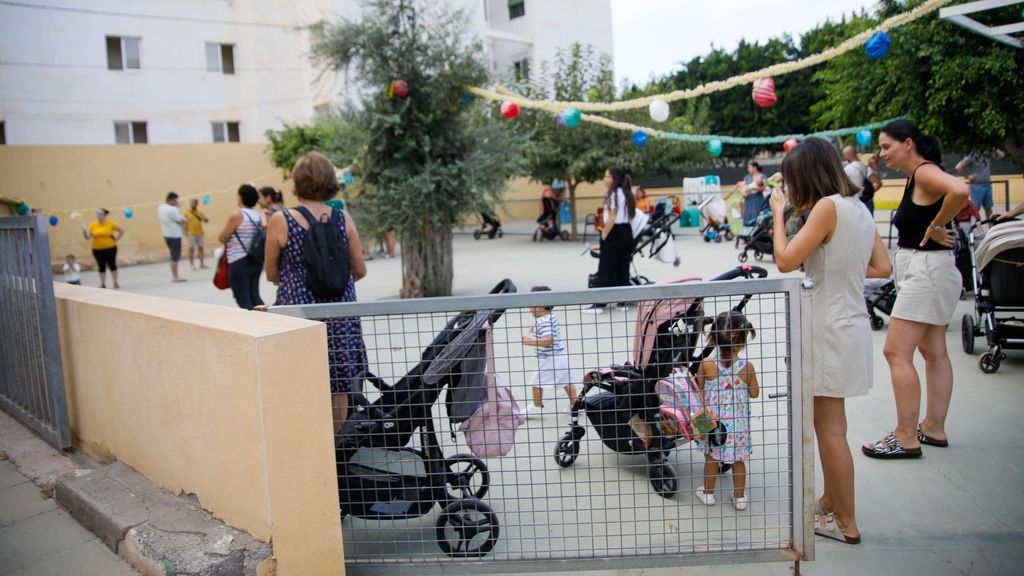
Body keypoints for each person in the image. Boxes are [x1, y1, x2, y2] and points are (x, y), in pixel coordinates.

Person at [770, 137, 892, 545]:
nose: (790, 189)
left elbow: (786, 259)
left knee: (830, 431)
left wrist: (776, 215)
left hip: (825, 327)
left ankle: (846, 522)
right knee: (833, 427)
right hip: (852, 324)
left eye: (791, 181)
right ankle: (829, 499)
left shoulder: (826, 208)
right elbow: (882, 266)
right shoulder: (857, 208)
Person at [862, 120, 968, 462]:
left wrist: (936, 224)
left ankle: (905, 436)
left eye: (887, 146)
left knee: (896, 352)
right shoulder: (916, 175)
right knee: (933, 351)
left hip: (927, 272)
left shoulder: (924, 172)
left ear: (908, 143)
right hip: (926, 270)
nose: (882, 153)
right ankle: (933, 427)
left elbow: (960, 190)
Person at [265, 152, 367, 433]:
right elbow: (360, 268)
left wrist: (295, 280)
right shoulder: (341, 219)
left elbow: (271, 273)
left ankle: (308, 445)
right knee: (339, 384)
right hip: (340, 313)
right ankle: (335, 450)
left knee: (300, 379)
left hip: (298, 313)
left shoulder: (280, 220)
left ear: (297, 181)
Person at [694, 311, 759, 511]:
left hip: (714, 425)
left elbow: (697, 390)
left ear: (712, 337)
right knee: (738, 460)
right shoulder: (747, 367)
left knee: (711, 459)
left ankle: (708, 494)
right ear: (743, 339)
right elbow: (755, 393)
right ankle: (740, 498)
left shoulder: (706, 365)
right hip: (738, 426)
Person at [583, 168, 636, 314]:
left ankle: (599, 305)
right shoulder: (626, 193)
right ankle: (622, 302)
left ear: (615, 179)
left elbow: (612, 216)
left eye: (607, 177)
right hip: (626, 232)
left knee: (605, 269)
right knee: (622, 269)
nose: (604, 179)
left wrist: (604, 234)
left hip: (615, 232)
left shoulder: (613, 193)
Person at [522, 286, 578, 416]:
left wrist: (530, 342)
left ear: (539, 305)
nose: (529, 308)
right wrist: (535, 329)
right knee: (567, 381)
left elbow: (549, 340)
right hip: (560, 357)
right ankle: (575, 405)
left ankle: (536, 407)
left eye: (530, 304)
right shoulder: (551, 318)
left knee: (536, 382)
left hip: (550, 359)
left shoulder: (543, 321)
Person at [218, 184, 266, 310]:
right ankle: (266, 322)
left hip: (239, 260)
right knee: (255, 296)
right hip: (256, 259)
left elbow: (222, 237)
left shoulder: (238, 215)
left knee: (243, 300)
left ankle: (255, 326)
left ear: (241, 197)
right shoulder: (259, 215)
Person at [81, 208, 123, 289]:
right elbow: (88, 237)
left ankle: (115, 282)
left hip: (110, 247)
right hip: (97, 249)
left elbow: (121, 230)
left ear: (105, 215)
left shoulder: (110, 223)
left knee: (112, 264)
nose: (98, 216)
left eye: (100, 214)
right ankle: (102, 283)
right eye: (97, 214)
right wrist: (84, 231)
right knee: (101, 266)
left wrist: (117, 239)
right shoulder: (93, 225)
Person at [157, 192, 188, 282]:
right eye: (175, 200)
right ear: (171, 200)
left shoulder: (161, 207)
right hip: (174, 235)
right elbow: (182, 220)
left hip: (166, 234)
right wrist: (179, 208)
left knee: (172, 255)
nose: (176, 202)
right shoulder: (173, 210)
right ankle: (175, 276)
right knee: (175, 256)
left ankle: (175, 275)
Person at [956, 153, 993, 220]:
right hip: (977, 186)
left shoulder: (987, 153)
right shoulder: (973, 154)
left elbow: (1001, 155)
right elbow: (959, 167)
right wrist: (968, 176)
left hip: (987, 184)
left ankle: (991, 229)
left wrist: (994, 148)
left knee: (988, 208)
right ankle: (974, 228)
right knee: (975, 209)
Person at [842, 146, 874, 214]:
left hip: (855, 201)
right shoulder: (863, 165)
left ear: (847, 155)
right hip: (866, 200)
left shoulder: (849, 168)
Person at [736, 161, 767, 226]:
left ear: (754, 167)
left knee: (758, 218)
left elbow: (763, 187)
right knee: (748, 219)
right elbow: (743, 187)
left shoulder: (762, 176)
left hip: (757, 200)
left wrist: (751, 189)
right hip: (748, 202)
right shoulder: (747, 177)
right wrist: (743, 192)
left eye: (749, 167)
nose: (748, 169)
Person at [183, 198, 209, 270]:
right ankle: (192, 265)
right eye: (192, 203)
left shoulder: (200, 212)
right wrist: (185, 232)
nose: (193, 204)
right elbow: (184, 223)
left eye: (194, 203)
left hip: (200, 233)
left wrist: (206, 219)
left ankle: (202, 264)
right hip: (191, 233)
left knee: (201, 248)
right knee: (191, 249)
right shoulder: (186, 212)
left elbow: (205, 220)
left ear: (197, 204)